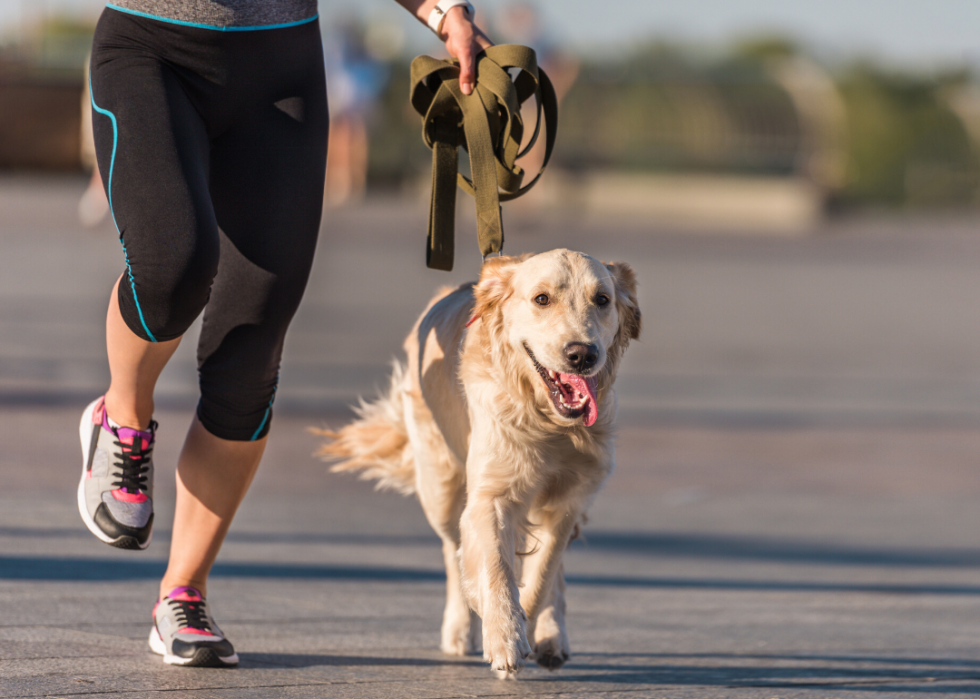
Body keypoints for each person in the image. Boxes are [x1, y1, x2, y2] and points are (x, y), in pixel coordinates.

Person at [77, 0, 490, 668]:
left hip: (280, 69)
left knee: (254, 338)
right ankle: (123, 411)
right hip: (151, 50)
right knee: (174, 266)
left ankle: (183, 591)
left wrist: (445, 13)